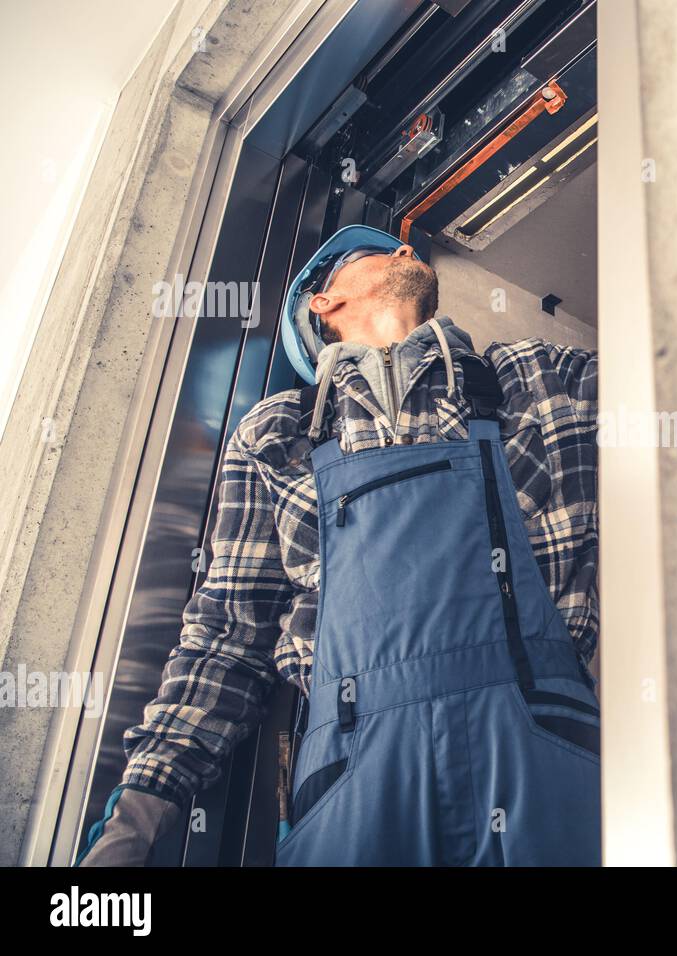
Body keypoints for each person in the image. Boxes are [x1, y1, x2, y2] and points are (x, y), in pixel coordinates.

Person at [78, 226, 600, 866]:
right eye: (384, 249)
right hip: (352, 779)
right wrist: (137, 817)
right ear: (323, 301)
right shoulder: (277, 434)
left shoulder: (538, 375)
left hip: (543, 748)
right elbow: (228, 636)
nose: (408, 251)